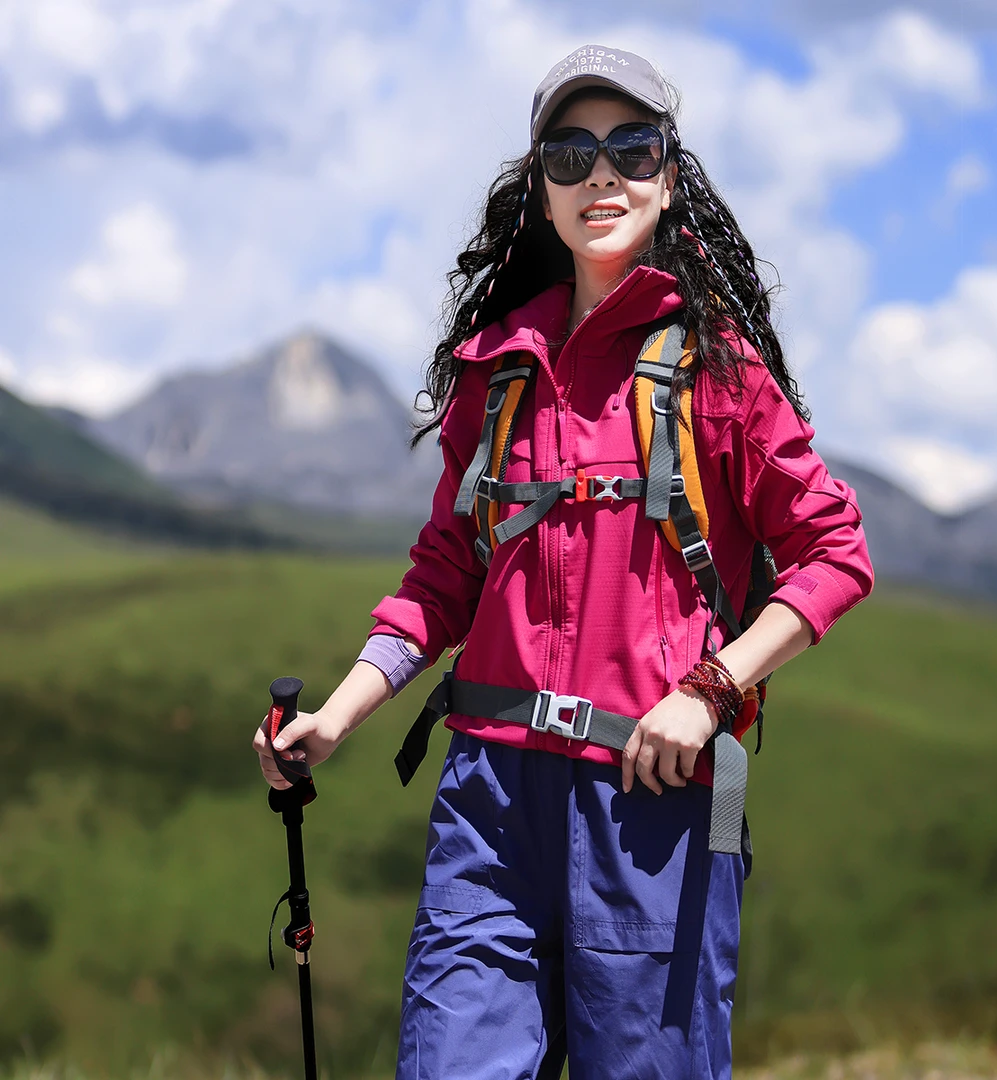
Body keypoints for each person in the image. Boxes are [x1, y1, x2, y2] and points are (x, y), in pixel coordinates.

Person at [253, 43, 873, 1080]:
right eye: (572, 155)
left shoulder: (719, 371)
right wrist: (341, 714)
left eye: (632, 149)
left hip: (653, 804)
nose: (603, 176)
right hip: (489, 807)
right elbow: (445, 572)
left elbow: (835, 553)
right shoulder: (498, 373)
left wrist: (712, 690)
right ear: (541, 189)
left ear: (668, 177)